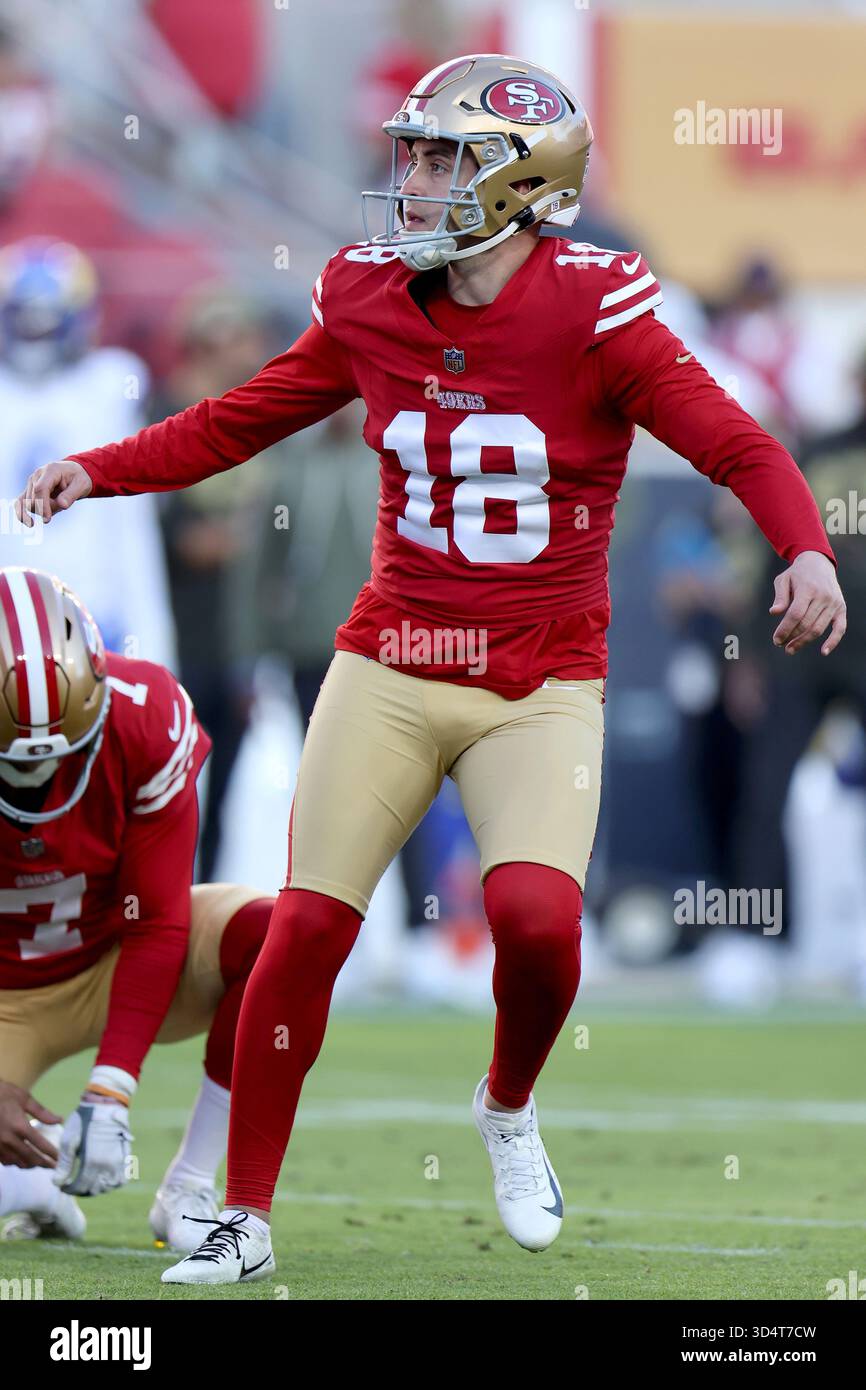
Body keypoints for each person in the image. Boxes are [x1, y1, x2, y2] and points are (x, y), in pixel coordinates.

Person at [14, 54, 845, 1286]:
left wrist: (805, 548)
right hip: (390, 660)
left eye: (440, 156)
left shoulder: (593, 308)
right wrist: (105, 467)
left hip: (541, 682)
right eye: (411, 152)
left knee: (535, 928)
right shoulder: (365, 295)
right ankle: (241, 1212)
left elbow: (732, 437)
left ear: (517, 182)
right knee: (303, 927)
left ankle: (505, 1105)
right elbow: (241, 414)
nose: (409, 178)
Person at [0, 567, 273, 1252]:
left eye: (64, 756)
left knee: (276, 938)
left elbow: (155, 919)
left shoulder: (145, 710)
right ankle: (23, 1184)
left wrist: (112, 1090)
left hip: (116, 956)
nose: (41, 781)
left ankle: (189, 1188)